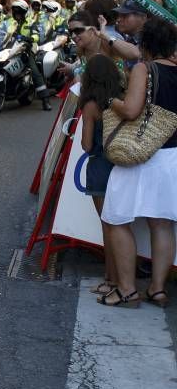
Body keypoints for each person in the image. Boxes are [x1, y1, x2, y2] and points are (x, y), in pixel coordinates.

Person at [99, 18, 177, 308]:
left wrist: (113, 102)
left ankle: (127, 290)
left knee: (116, 218)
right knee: (162, 224)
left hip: (141, 154)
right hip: (172, 157)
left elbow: (131, 110)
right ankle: (157, 289)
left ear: (144, 45)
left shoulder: (145, 68)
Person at [77, 54, 123, 296]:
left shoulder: (91, 105)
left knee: (108, 228)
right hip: (124, 166)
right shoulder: (121, 100)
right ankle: (120, 279)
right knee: (122, 227)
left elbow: (86, 145)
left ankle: (111, 280)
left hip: (100, 168)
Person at [6, 0, 52, 111]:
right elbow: (0, 32)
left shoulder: (31, 22)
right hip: (9, 49)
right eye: (15, 12)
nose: (17, 15)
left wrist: (29, 38)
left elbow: (36, 36)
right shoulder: (8, 22)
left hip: (26, 49)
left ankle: (45, 100)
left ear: (24, 12)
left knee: (35, 71)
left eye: (19, 13)